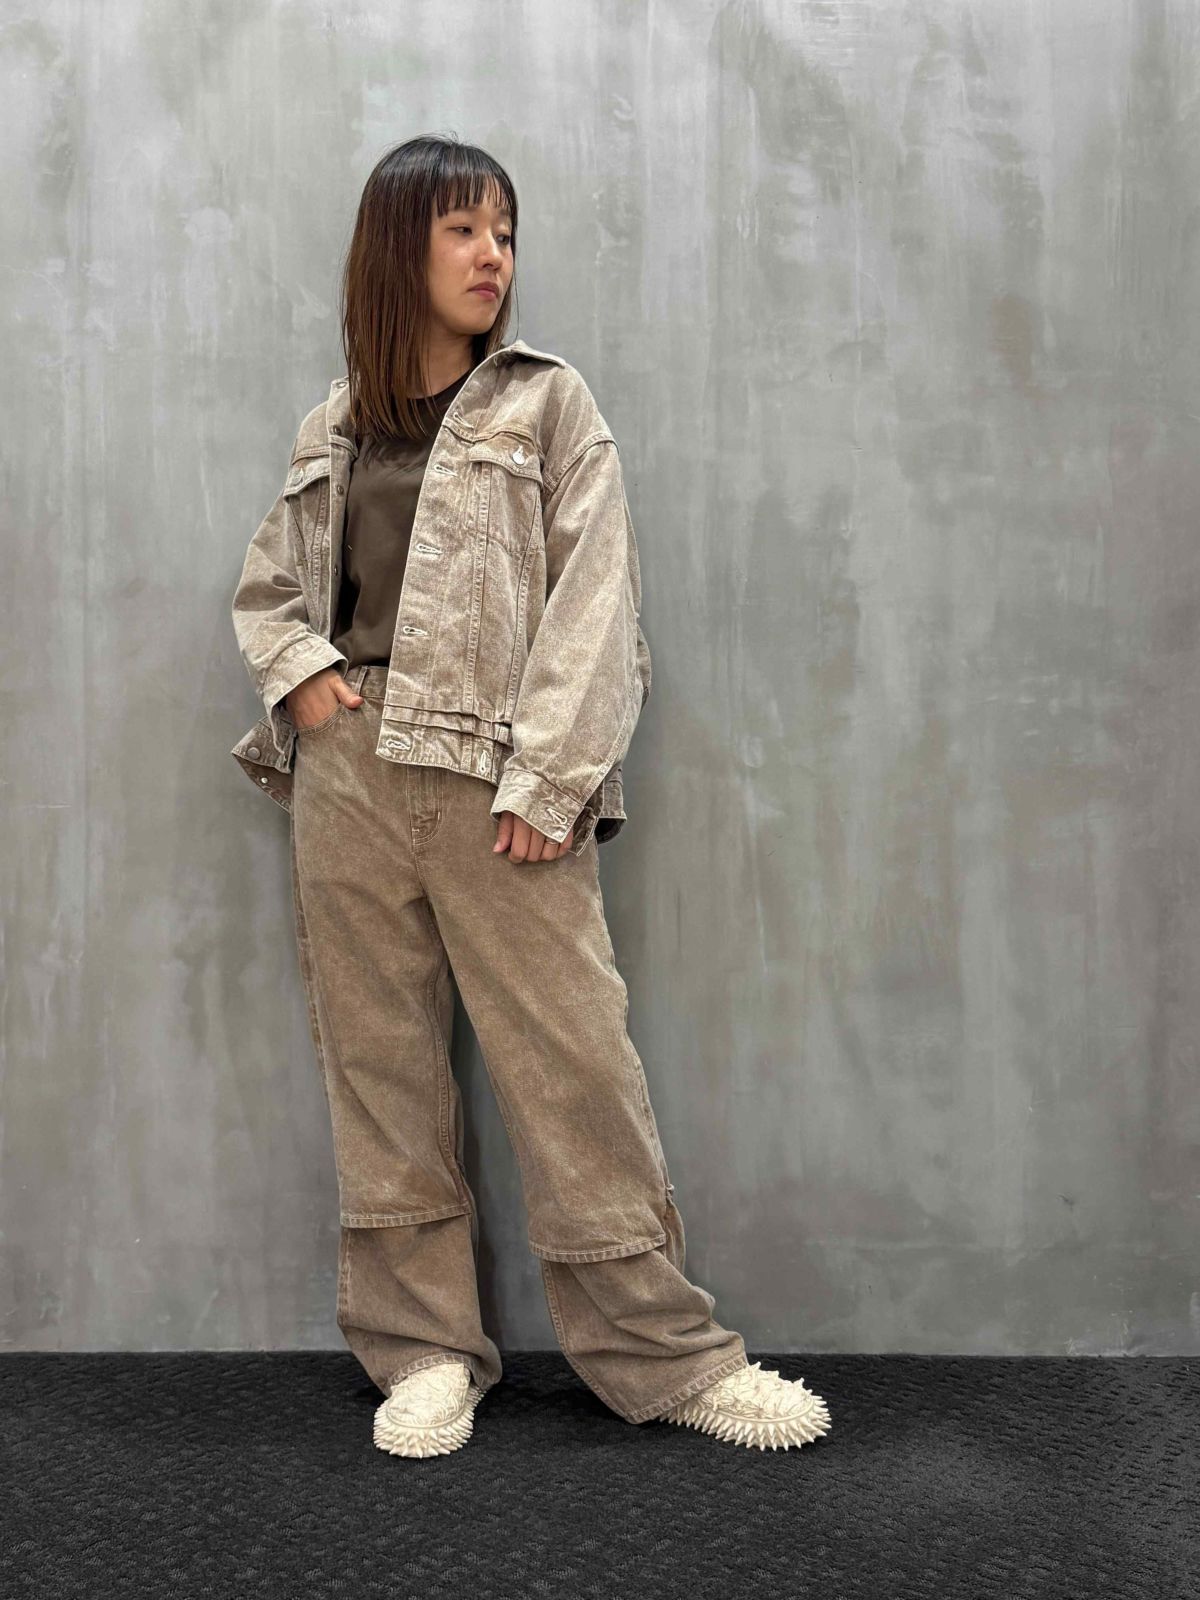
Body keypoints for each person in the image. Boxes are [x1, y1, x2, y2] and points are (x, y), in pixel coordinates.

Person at [230, 133, 832, 1459]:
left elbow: (598, 607)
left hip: (498, 778)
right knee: (380, 1067)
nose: (492, 253)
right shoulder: (335, 423)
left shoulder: (547, 404)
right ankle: (423, 1352)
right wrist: (305, 678)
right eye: (462, 229)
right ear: (399, 248)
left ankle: (664, 1356)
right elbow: (273, 589)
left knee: (574, 1066)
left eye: (503, 230)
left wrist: (552, 778)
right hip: (348, 778)